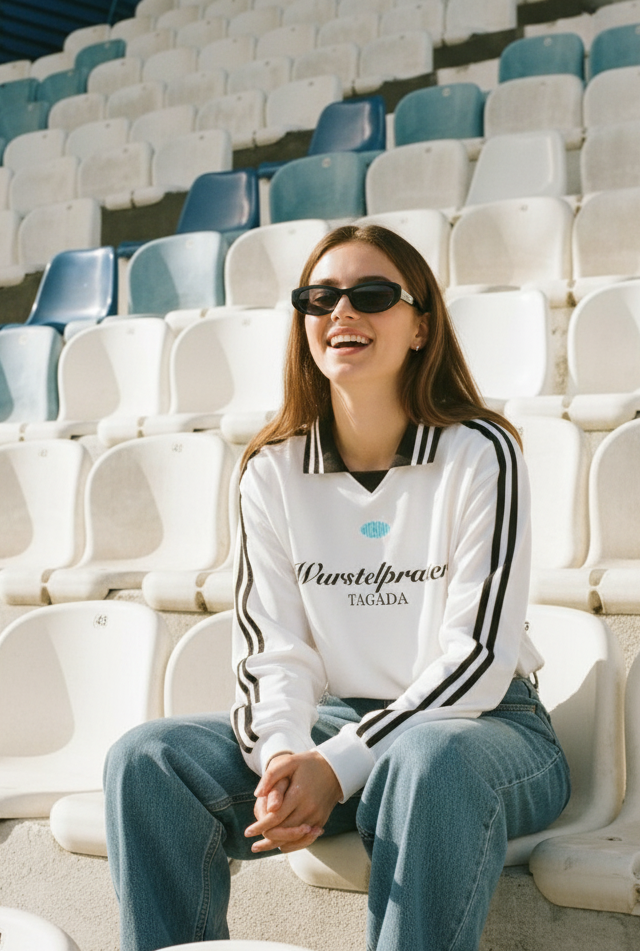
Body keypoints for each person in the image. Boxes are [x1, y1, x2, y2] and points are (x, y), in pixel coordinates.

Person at [104, 224, 571, 951]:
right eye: (319, 298)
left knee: (426, 760)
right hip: (338, 722)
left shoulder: (479, 450)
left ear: (419, 326)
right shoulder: (271, 468)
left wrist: (338, 762)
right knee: (148, 760)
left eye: (372, 295)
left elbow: (478, 658)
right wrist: (287, 754)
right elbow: (273, 648)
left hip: (485, 732)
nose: (341, 313)